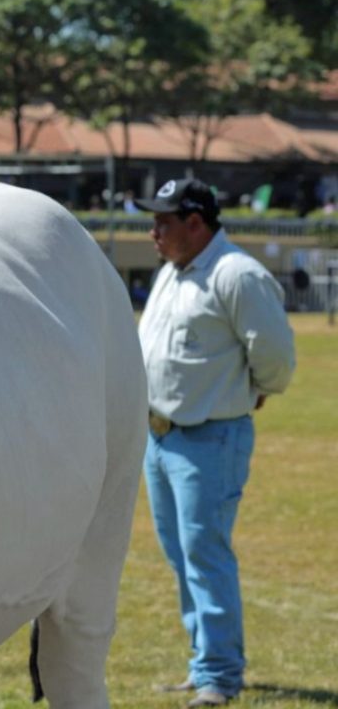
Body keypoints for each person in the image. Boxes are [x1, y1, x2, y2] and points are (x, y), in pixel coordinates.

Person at [136, 178, 296, 707]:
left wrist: (258, 390)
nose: (153, 231)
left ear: (196, 224)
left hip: (210, 437)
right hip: (160, 440)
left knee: (205, 554)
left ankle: (220, 675)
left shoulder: (236, 275)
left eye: (163, 221)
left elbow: (275, 356)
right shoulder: (172, 272)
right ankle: (205, 662)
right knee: (182, 555)